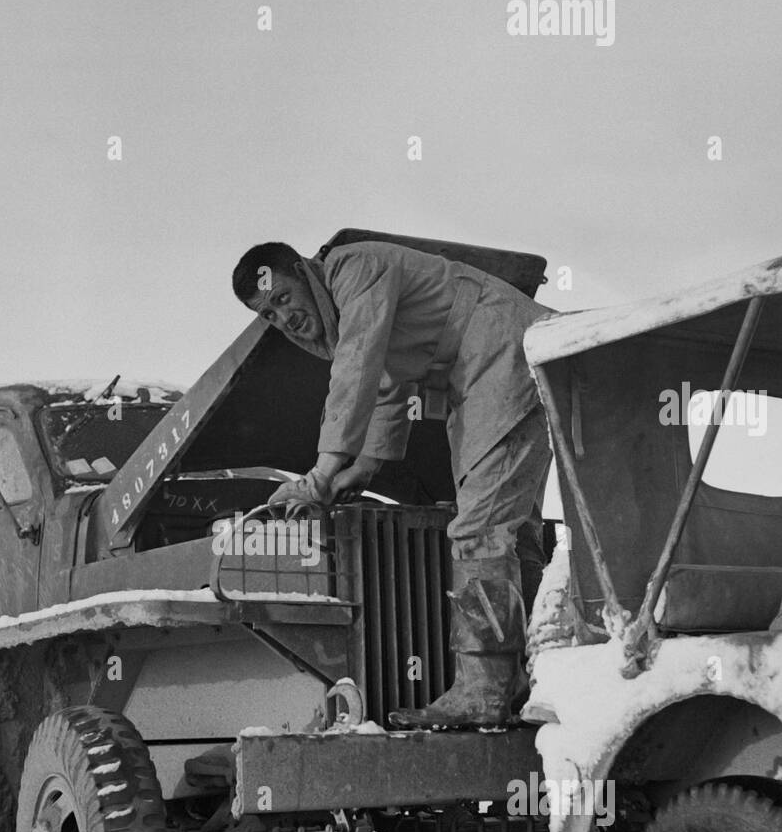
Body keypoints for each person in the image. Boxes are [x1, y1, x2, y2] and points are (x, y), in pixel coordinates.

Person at [231, 237, 553, 728]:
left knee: (478, 531)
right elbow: (386, 386)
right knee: (512, 528)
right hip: (498, 360)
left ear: (303, 271)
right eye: (269, 314)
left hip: (501, 353)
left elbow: (356, 367)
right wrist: (361, 470)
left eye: (282, 297)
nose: (283, 317)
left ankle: (484, 690)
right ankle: (532, 676)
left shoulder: (353, 268)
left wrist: (320, 472)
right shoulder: (347, 310)